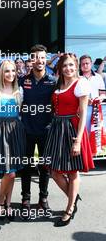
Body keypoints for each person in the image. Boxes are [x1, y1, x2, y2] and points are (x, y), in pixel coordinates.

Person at [43, 53, 94, 227]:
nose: (68, 68)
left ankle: (69, 209)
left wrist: (78, 140)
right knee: (55, 172)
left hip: (72, 129)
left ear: (77, 66)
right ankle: (74, 196)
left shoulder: (81, 84)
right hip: (57, 129)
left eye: (72, 65)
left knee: (72, 172)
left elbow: (83, 114)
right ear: (61, 68)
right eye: (65, 65)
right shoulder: (59, 83)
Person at [19, 44, 56, 219]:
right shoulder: (22, 80)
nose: (39, 60)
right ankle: (25, 200)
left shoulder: (53, 81)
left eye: (42, 57)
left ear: (46, 58)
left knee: (44, 167)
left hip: (46, 131)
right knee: (26, 166)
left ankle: (43, 198)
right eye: (36, 57)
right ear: (31, 60)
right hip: (26, 130)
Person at [0, 60, 25, 220]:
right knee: (8, 172)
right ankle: (1, 200)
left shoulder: (19, 91)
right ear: (1, 72)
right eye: (7, 71)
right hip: (0, 130)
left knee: (13, 171)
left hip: (16, 131)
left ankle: (7, 202)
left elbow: (21, 112)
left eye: (13, 71)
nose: (10, 74)